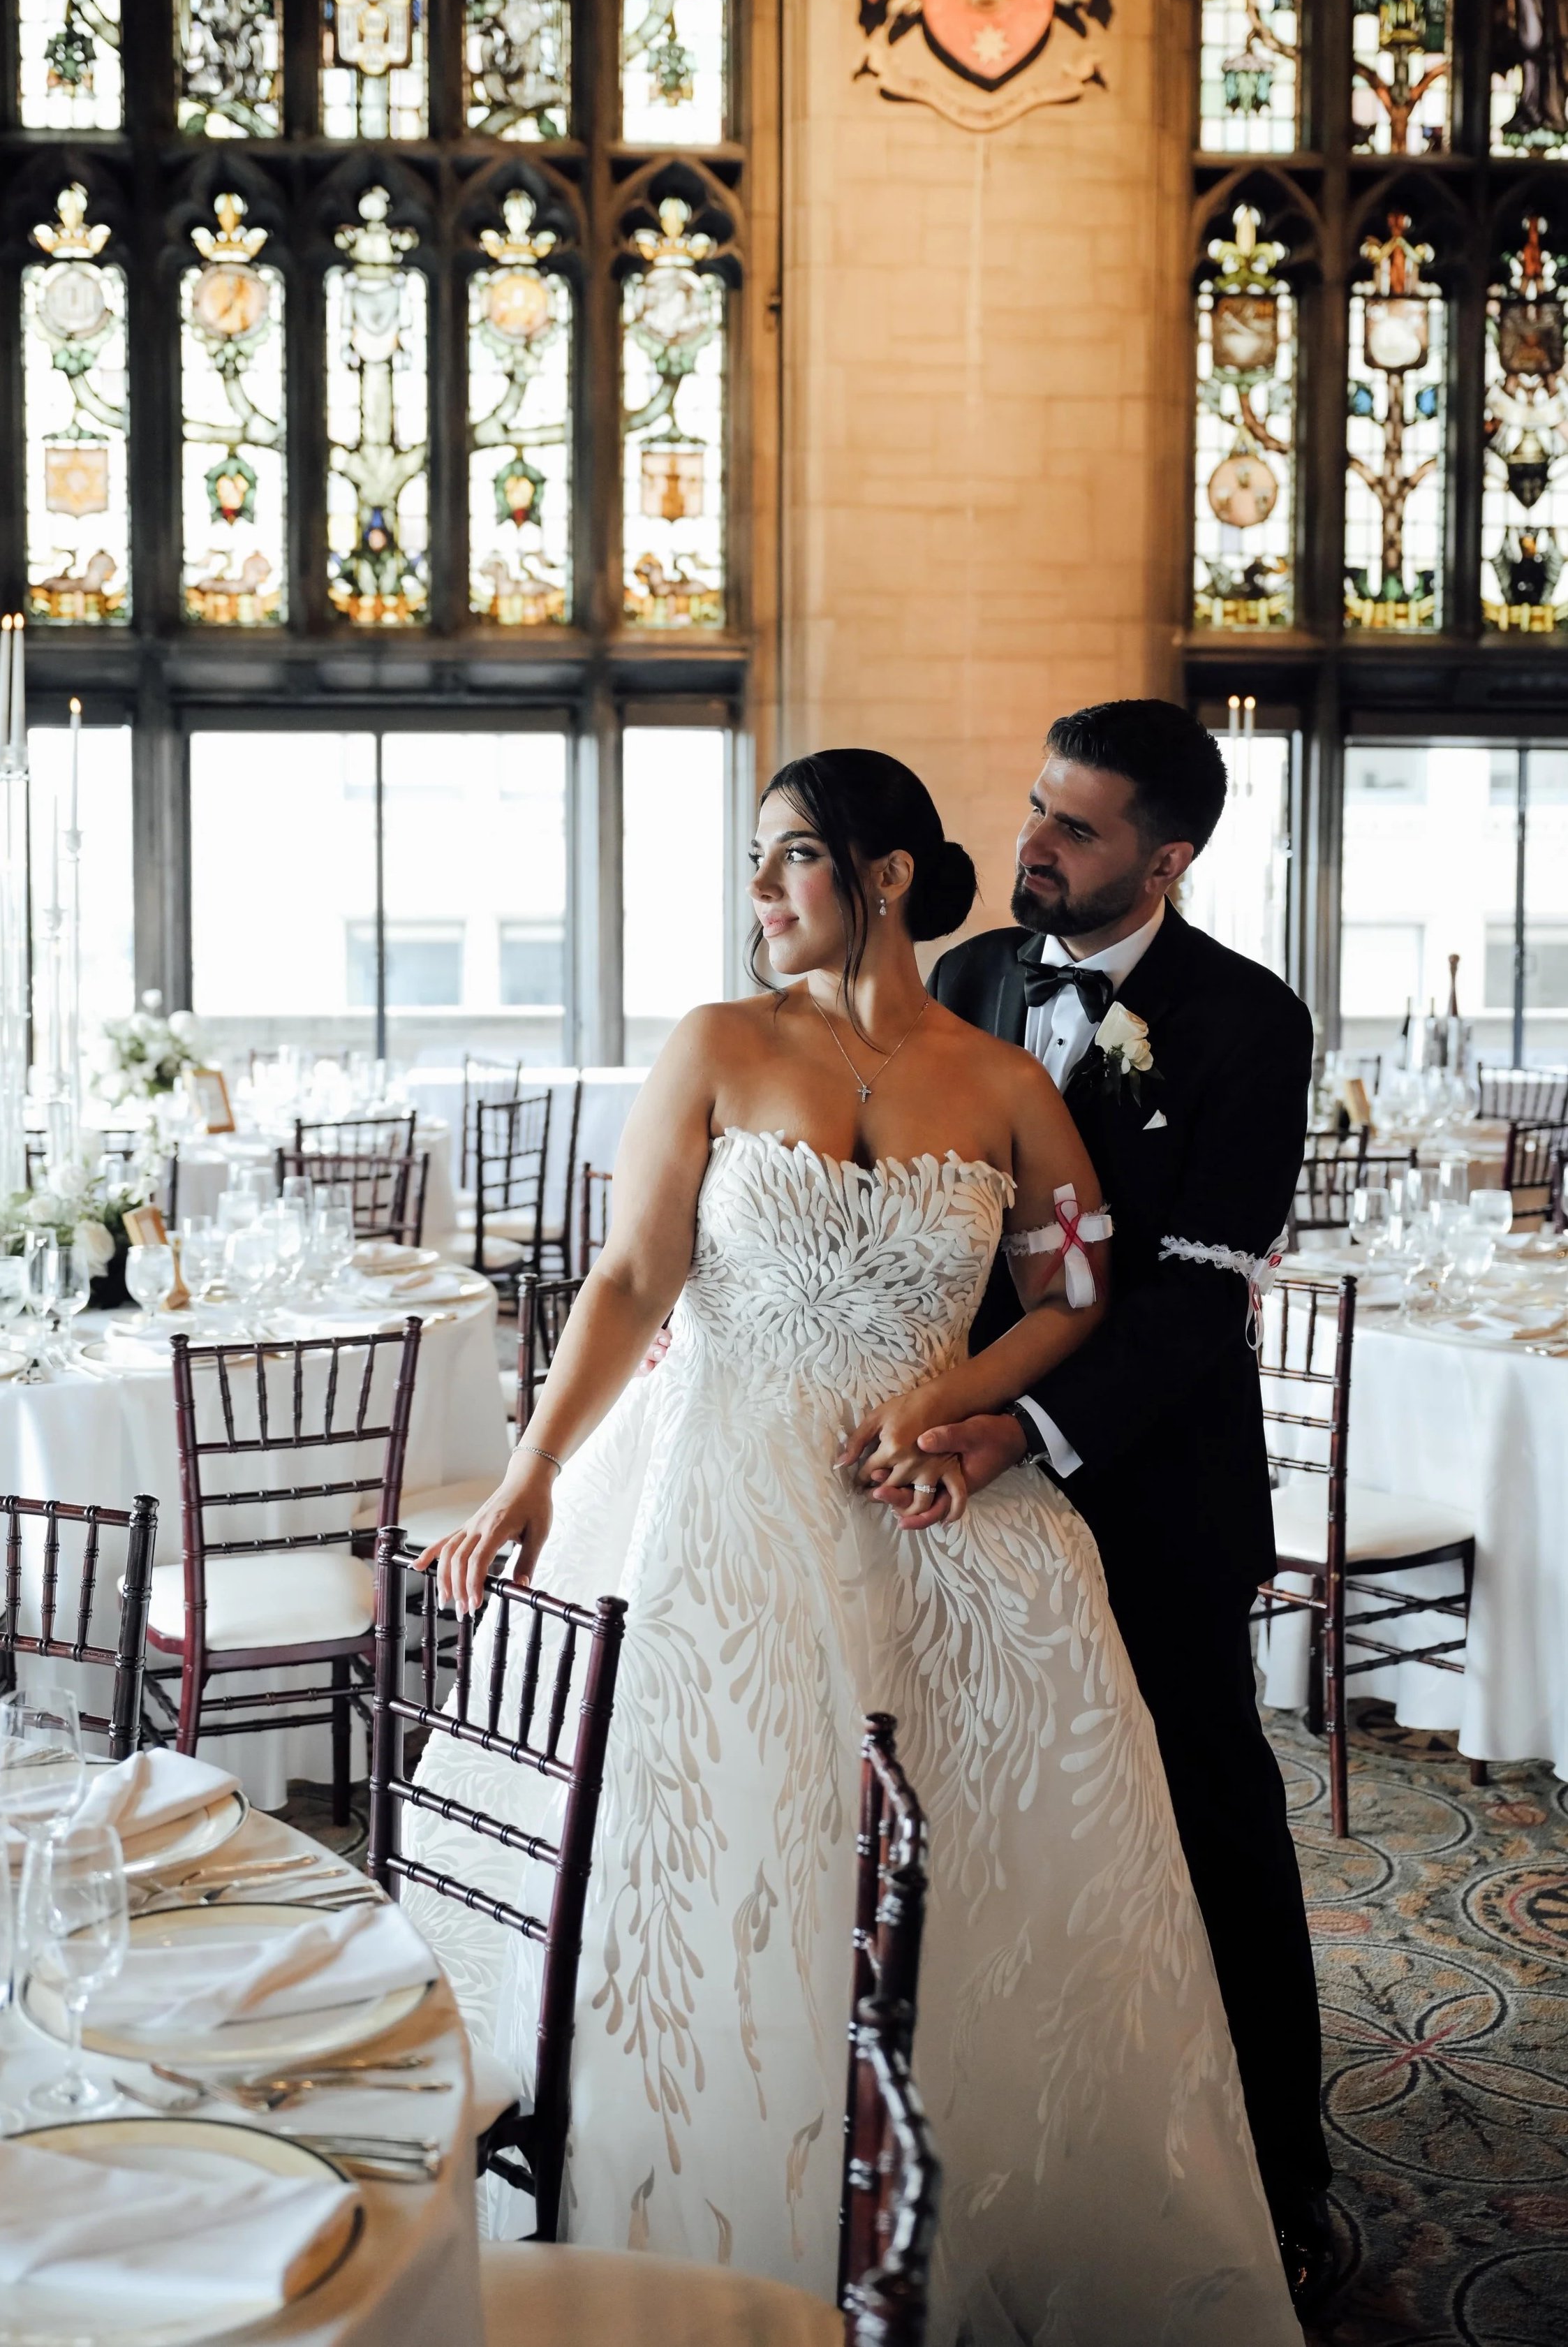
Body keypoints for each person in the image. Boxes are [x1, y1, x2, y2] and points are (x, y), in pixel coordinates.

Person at [409, 748, 1301, 2346]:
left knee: (974, 1881)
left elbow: (1083, 1293)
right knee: (730, 1849)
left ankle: (961, 2217)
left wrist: (956, 1401)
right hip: (725, 1503)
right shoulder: (717, 1046)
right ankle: (704, 2211)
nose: (760, 895)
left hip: (942, 1516)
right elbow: (628, 1280)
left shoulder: (1008, 1081)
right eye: (757, 864)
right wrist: (533, 1471)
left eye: (789, 859)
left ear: (881, 874)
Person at [910, 699, 1333, 2309]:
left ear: (1170, 856)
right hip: (971, 1490)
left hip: (1152, 1486)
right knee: (1005, 1809)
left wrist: (1024, 1426)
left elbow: (1189, 1295)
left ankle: (1281, 2165)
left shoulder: (1249, 1022)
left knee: (1210, 1812)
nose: (1032, 843)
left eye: (1076, 829)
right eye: (1034, 807)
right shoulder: (969, 980)